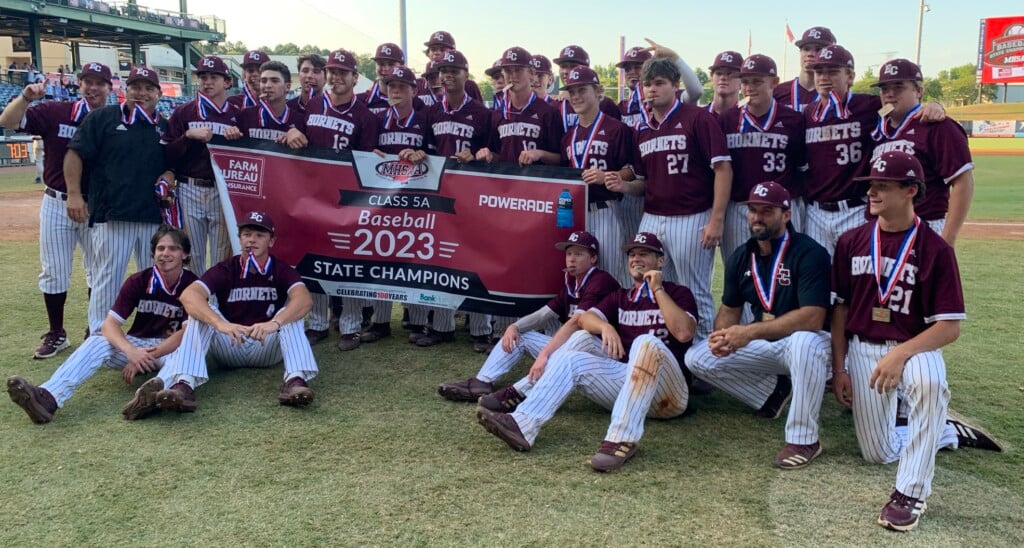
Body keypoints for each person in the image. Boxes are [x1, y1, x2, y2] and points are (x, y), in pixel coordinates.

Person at [830, 150, 1002, 532]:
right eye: (871, 185)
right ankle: (946, 430)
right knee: (877, 452)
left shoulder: (935, 248)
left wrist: (901, 354)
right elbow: (839, 310)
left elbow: (949, 327)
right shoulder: (851, 241)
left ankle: (909, 494)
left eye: (882, 186)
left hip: (916, 346)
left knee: (930, 383)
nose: (872, 193)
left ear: (911, 190)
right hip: (863, 348)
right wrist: (839, 367)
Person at [476, 232, 697, 472]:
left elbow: (684, 332)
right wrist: (605, 326)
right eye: (632, 254)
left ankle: (621, 439)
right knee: (579, 341)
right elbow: (585, 319)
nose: (636, 259)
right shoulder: (621, 297)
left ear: (660, 261)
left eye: (644, 254)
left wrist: (658, 290)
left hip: (670, 393)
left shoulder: (678, 293)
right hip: (630, 387)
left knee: (646, 342)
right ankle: (523, 423)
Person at [686, 182, 831, 469]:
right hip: (767, 343)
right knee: (698, 358)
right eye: (753, 210)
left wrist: (748, 332)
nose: (757, 217)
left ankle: (804, 439)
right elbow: (729, 308)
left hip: (810, 344)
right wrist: (721, 336)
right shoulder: (741, 255)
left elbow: (813, 317)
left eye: (767, 211)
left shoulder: (809, 252)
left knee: (803, 342)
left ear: (786, 215)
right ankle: (773, 392)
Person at [123, 211, 319, 418]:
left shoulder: (280, 269)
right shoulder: (227, 268)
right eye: (247, 234)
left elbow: (304, 299)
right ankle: (184, 384)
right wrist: (220, 324)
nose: (252, 239)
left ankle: (295, 381)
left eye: (260, 235)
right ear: (240, 239)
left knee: (289, 315)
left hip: (265, 343)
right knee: (202, 314)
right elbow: (189, 296)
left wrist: (275, 323)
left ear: (272, 241)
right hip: (230, 342)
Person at [7, 227, 198, 423]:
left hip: (169, 349)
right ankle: (48, 397)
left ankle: (149, 399)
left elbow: (185, 333)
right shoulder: (138, 281)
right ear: (153, 253)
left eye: (173, 249)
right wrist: (131, 351)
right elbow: (109, 325)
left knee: (186, 354)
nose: (165, 254)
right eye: (160, 248)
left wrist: (146, 356)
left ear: (185, 254)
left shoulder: (192, 285)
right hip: (138, 345)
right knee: (98, 340)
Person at [0, 63, 113, 356]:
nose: (93, 87)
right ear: (79, 84)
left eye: (100, 83)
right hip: (57, 201)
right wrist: (25, 97)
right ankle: (56, 333)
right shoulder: (56, 111)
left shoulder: (116, 120)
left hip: (97, 205)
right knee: (54, 272)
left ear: (110, 88)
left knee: (98, 271)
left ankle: (95, 329)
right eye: (88, 81)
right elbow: (8, 121)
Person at [437, 230, 619, 405]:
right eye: (569, 253)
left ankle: (519, 393)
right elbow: (544, 314)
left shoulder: (600, 280)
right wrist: (515, 326)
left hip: (601, 352)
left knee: (580, 336)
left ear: (593, 258)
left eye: (579, 254)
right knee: (520, 335)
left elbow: (575, 324)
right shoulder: (572, 282)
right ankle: (481, 382)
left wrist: (544, 354)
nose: (571, 258)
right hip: (574, 349)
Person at [622, 55, 732, 339]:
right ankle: (666, 348)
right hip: (652, 217)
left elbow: (722, 168)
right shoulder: (642, 130)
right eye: (648, 84)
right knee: (652, 286)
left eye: (659, 83)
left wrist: (716, 219)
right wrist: (623, 186)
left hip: (691, 216)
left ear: (675, 85)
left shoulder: (697, 118)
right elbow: (643, 183)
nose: (652, 89)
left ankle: (704, 359)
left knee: (693, 289)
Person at [65, 66, 168, 336]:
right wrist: (75, 194)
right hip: (112, 217)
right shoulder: (103, 118)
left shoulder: (164, 125)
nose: (142, 93)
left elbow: (172, 166)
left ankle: (149, 334)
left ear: (158, 94)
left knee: (154, 281)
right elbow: (75, 154)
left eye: (148, 88)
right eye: (136, 87)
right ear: (125, 90)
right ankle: (99, 337)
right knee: (107, 281)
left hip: (152, 219)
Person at [301, 49, 381, 350]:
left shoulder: (365, 115)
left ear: (354, 78)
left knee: (349, 260)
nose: (336, 77)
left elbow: (369, 163)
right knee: (316, 259)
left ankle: (350, 324)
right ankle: (319, 322)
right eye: (332, 71)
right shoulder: (313, 106)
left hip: (347, 199)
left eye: (342, 73)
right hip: (313, 195)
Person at [421, 49, 497, 351]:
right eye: (443, 70)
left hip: (473, 195)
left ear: (466, 74)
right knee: (441, 257)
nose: (447, 75)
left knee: (475, 258)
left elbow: (491, 155)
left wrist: (477, 158)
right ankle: (442, 325)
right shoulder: (433, 112)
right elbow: (429, 150)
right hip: (441, 194)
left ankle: (481, 329)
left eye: (454, 69)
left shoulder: (481, 112)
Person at [359, 65, 436, 347]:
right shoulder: (378, 118)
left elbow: (436, 152)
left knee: (415, 256)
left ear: (414, 90)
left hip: (418, 197)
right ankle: (381, 321)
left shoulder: (426, 117)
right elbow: (365, 152)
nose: (394, 90)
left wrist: (423, 153)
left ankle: (416, 320)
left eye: (401, 86)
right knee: (382, 256)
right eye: (390, 85)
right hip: (384, 199)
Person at [868, 59, 974, 247]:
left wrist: (948, 239)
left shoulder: (938, 126)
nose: (890, 94)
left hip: (925, 225)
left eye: (898, 87)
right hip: (883, 229)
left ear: (918, 91)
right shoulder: (878, 128)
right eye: (884, 89)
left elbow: (963, 182)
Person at [719, 54, 807, 261]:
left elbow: (802, 168)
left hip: (782, 207)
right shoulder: (727, 119)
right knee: (739, 267)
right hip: (740, 206)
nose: (749, 88)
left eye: (757, 81)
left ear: (774, 82)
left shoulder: (793, 119)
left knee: (785, 268)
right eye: (745, 81)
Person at [162, 55, 241, 276]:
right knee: (192, 254)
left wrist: (237, 139)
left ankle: (215, 306)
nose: (207, 82)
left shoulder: (236, 115)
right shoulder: (184, 112)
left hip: (222, 189)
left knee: (222, 254)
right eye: (203, 77)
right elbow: (167, 154)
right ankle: (194, 309)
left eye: (214, 77)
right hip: (189, 186)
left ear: (227, 82)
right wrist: (187, 136)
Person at [559, 66, 634, 286]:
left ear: (598, 91)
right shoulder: (568, 137)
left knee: (609, 276)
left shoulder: (617, 128)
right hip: (575, 213)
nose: (576, 96)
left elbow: (632, 171)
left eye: (582, 90)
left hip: (605, 209)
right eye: (571, 92)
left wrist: (608, 176)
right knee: (578, 279)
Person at [475, 46, 563, 166]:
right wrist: (488, 154)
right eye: (508, 71)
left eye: (518, 70)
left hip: (537, 182)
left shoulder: (548, 113)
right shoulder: (497, 114)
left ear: (532, 73)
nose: (512, 76)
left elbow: (561, 159)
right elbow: (498, 155)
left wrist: (540, 154)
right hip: (506, 183)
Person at [233, 61, 306, 147]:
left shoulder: (299, 120)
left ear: (287, 87)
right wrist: (230, 132)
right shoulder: (245, 115)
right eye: (263, 81)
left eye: (274, 81)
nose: (267, 85)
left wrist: (300, 140)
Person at [550, 44, 622, 130]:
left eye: (573, 66)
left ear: (586, 68)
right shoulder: (554, 106)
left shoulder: (606, 104)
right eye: (563, 66)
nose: (566, 71)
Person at [774, 26, 836, 112]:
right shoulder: (778, 92)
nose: (810, 54)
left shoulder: (836, 94)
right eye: (806, 49)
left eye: (818, 49)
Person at [420, 30, 483, 102]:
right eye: (433, 49)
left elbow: (480, 111)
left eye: (442, 49)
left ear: (453, 52)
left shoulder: (467, 85)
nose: (437, 53)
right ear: (428, 53)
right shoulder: (417, 85)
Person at [705, 51, 743, 116]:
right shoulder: (698, 116)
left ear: (742, 81)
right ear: (711, 78)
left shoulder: (747, 119)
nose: (723, 77)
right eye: (718, 73)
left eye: (729, 74)